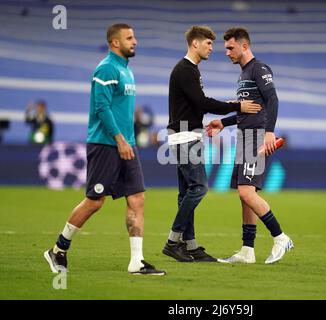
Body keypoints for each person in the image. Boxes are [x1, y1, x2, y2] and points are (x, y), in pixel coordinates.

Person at [43, 23, 165, 276]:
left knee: (137, 199)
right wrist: (120, 139)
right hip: (106, 144)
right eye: (130, 38)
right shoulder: (107, 67)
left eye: (135, 36)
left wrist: (127, 141)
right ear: (115, 43)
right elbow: (101, 107)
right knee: (95, 201)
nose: (136, 41)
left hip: (126, 145)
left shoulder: (125, 70)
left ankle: (136, 261)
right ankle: (58, 249)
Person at [162, 25, 262, 263]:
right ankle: (172, 241)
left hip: (188, 135)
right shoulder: (185, 69)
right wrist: (237, 106)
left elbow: (198, 103)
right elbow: (202, 102)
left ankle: (191, 245)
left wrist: (227, 106)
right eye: (208, 43)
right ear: (195, 43)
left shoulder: (191, 70)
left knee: (186, 192)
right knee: (199, 188)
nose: (211, 48)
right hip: (185, 136)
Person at [206, 27, 293, 264]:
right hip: (244, 137)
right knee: (245, 195)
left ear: (244, 46)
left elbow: (273, 99)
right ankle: (247, 250)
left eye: (230, 48)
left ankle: (280, 237)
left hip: (256, 138)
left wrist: (269, 132)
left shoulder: (259, 69)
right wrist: (223, 123)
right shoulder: (243, 74)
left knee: (246, 192)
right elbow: (248, 112)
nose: (226, 53)